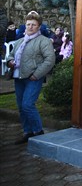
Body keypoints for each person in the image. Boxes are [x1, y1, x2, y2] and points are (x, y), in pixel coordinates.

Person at [6, 11, 55, 144]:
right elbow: (10, 55)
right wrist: (10, 61)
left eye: (33, 24)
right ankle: (28, 132)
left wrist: (37, 74)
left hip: (33, 78)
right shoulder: (20, 41)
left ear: (39, 26)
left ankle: (38, 132)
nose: (30, 27)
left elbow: (50, 60)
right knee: (21, 107)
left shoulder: (43, 41)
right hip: (18, 78)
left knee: (27, 104)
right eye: (28, 24)